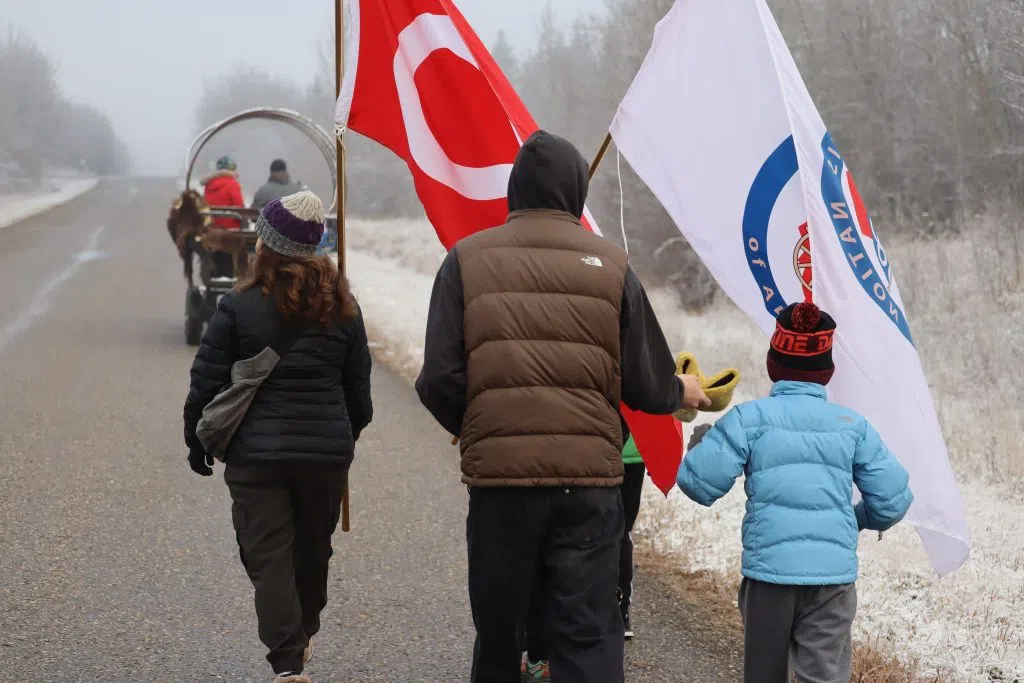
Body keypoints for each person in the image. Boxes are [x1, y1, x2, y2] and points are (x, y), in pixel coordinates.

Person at [415, 130, 710, 683]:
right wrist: (681, 392)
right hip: (588, 489)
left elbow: (438, 379)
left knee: (500, 637)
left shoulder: (465, 262)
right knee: (586, 637)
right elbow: (646, 385)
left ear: (515, 190)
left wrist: (485, 428)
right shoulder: (614, 266)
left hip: (500, 489)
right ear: (576, 191)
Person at [183, 191, 373, 683]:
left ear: (264, 246)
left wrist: (195, 439)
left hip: (255, 459)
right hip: (325, 458)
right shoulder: (344, 308)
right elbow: (359, 394)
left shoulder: (236, 307)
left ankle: (288, 662)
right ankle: (301, 631)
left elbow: (205, 382)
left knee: (268, 559)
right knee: (313, 552)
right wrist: (342, 438)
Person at [676, 301, 914, 683]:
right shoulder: (852, 425)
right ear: (828, 371)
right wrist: (853, 519)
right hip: (832, 581)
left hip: (768, 576)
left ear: (773, 363)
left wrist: (699, 444)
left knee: (764, 675)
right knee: (824, 676)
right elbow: (892, 501)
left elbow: (697, 484)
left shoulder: (749, 419)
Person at [519, 432, 644, 681]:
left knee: (559, 545)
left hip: (588, 451)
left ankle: (543, 655)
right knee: (619, 535)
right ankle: (620, 611)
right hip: (633, 451)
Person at [201, 156, 246, 230]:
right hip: (230, 228)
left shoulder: (209, 184)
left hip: (211, 226)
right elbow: (239, 206)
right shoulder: (233, 184)